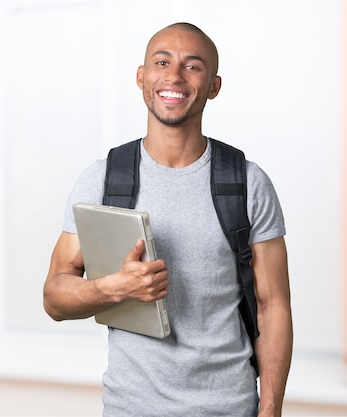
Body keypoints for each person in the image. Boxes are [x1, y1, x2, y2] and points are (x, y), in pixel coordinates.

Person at [43, 22, 292, 416]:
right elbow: (55, 298)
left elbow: (273, 304)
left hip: (229, 407)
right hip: (131, 407)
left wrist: (271, 408)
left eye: (193, 66)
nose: (174, 75)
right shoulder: (104, 178)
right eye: (162, 62)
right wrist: (113, 287)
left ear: (214, 85)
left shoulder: (248, 182)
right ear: (142, 77)